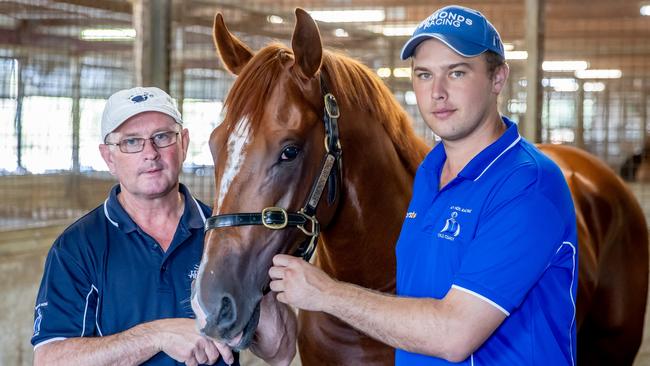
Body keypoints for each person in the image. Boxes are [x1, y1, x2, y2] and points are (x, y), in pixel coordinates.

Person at [269, 5, 577, 366]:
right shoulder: (430, 172)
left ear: (498, 79)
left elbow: (454, 335)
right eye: (424, 75)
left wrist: (325, 294)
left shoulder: (528, 185)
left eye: (457, 73)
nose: (437, 92)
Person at [31, 86, 295, 366]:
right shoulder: (78, 246)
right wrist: (157, 335)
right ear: (109, 157)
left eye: (162, 137)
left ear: (183, 143)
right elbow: (50, 359)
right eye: (131, 142)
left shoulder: (223, 233)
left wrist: (255, 271)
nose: (150, 153)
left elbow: (280, 354)